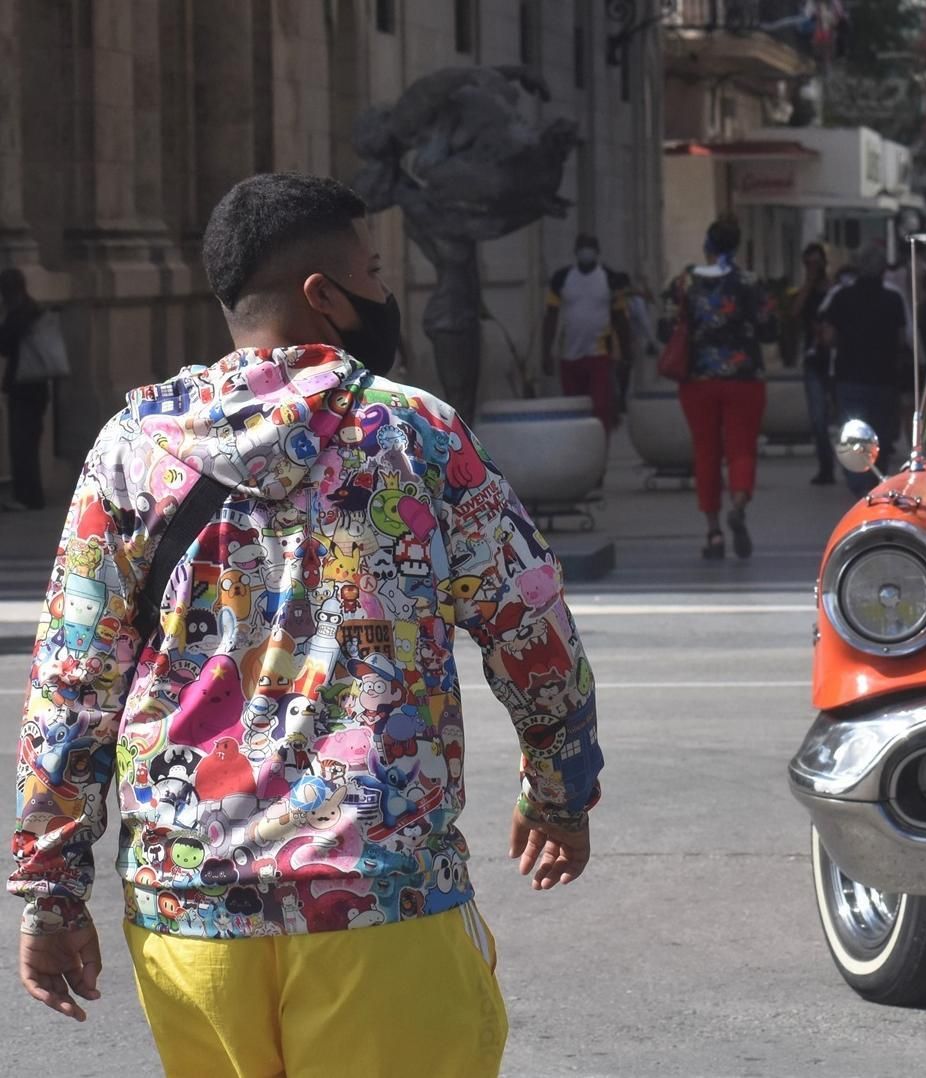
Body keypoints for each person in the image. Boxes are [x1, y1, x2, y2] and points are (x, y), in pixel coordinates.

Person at [10, 173, 602, 1077]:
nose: (383, 288)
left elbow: (71, 679)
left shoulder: (131, 448)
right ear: (324, 295)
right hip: (379, 897)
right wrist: (558, 791)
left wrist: (50, 893)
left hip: (191, 913)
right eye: (371, 269)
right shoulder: (418, 436)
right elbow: (532, 630)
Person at [662, 218, 776, 559]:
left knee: (706, 452)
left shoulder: (685, 282)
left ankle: (713, 533)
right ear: (736, 246)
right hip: (744, 378)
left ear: (707, 247)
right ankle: (738, 505)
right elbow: (770, 329)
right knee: (742, 448)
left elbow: (664, 327)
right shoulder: (750, 283)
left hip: (698, 382)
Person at [819, 242, 910, 496]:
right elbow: (903, 339)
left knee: (852, 431)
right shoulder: (893, 299)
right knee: (880, 433)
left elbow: (828, 337)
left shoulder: (841, 297)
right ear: (883, 271)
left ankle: (858, 483)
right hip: (884, 378)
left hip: (849, 377)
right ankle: (874, 478)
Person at [541, 232, 634, 434]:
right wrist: (545, 352)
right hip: (569, 355)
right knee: (575, 408)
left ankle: (601, 447)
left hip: (599, 353)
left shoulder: (610, 279)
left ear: (598, 252)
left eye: (590, 247)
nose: (586, 252)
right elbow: (551, 316)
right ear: (575, 251)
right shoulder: (561, 278)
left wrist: (627, 351)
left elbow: (620, 317)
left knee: (601, 407)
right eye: (582, 247)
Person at [0, 267, 53, 510]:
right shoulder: (35, 309)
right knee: (30, 441)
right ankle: (33, 495)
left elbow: (6, 345)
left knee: (22, 444)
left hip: (23, 387)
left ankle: (27, 496)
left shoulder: (18, 314)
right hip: (38, 386)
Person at [790, 243, 838, 486]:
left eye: (817, 263)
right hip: (813, 361)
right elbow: (795, 312)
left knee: (843, 417)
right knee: (818, 418)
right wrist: (808, 284)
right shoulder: (806, 292)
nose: (814, 268)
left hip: (836, 362)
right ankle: (825, 465)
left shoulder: (834, 292)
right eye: (809, 263)